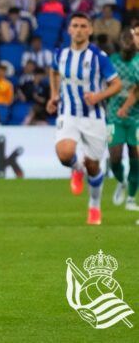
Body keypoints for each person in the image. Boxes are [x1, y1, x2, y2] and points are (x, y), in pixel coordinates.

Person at [47, 13, 121, 225]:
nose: (78, 30)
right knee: (64, 153)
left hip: (94, 117)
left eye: (83, 26)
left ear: (89, 30)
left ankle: (94, 206)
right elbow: (53, 72)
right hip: (68, 112)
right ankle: (76, 169)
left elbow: (117, 84)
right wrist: (54, 94)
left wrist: (98, 96)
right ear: (69, 29)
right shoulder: (60, 54)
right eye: (75, 26)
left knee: (93, 165)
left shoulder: (99, 57)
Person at [107, 26, 139, 212]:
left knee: (135, 157)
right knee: (115, 158)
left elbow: (137, 90)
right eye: (126, 40)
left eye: (132, 40)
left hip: (135, 117)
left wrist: (126, 108)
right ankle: (121, 181)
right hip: (113, 116)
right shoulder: (112, 61)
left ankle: (131, 200)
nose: (129, 44)